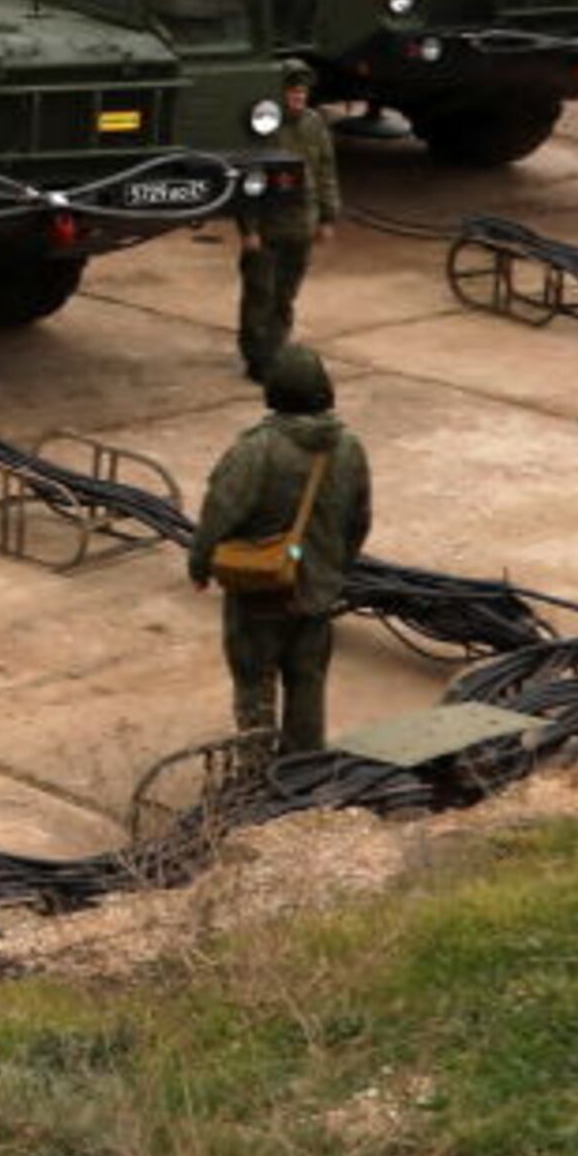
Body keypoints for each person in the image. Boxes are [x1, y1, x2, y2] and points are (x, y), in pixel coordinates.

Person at [186, 342, 373, 758]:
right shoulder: (349, 449)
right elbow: (359, 522)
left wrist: (199, 565)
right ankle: (304, 769)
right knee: (308, 680)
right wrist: (333, 570)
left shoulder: (256, 450)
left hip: (260, 592)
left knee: (255, 684)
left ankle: (256, 772)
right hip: (317, 592)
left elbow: (219, 514)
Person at [235, 61, 340, 380]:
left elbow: (325, 171)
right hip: (268, 226)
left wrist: (327, 216)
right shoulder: (264, 128)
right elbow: (247, 180)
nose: (298, 98)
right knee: (260, 294)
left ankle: (277, 349)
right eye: (292, 92)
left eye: (302, 93)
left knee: (286, 295)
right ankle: (257, 357)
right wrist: (248, 228)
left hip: (301, 225)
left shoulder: (314, 124)